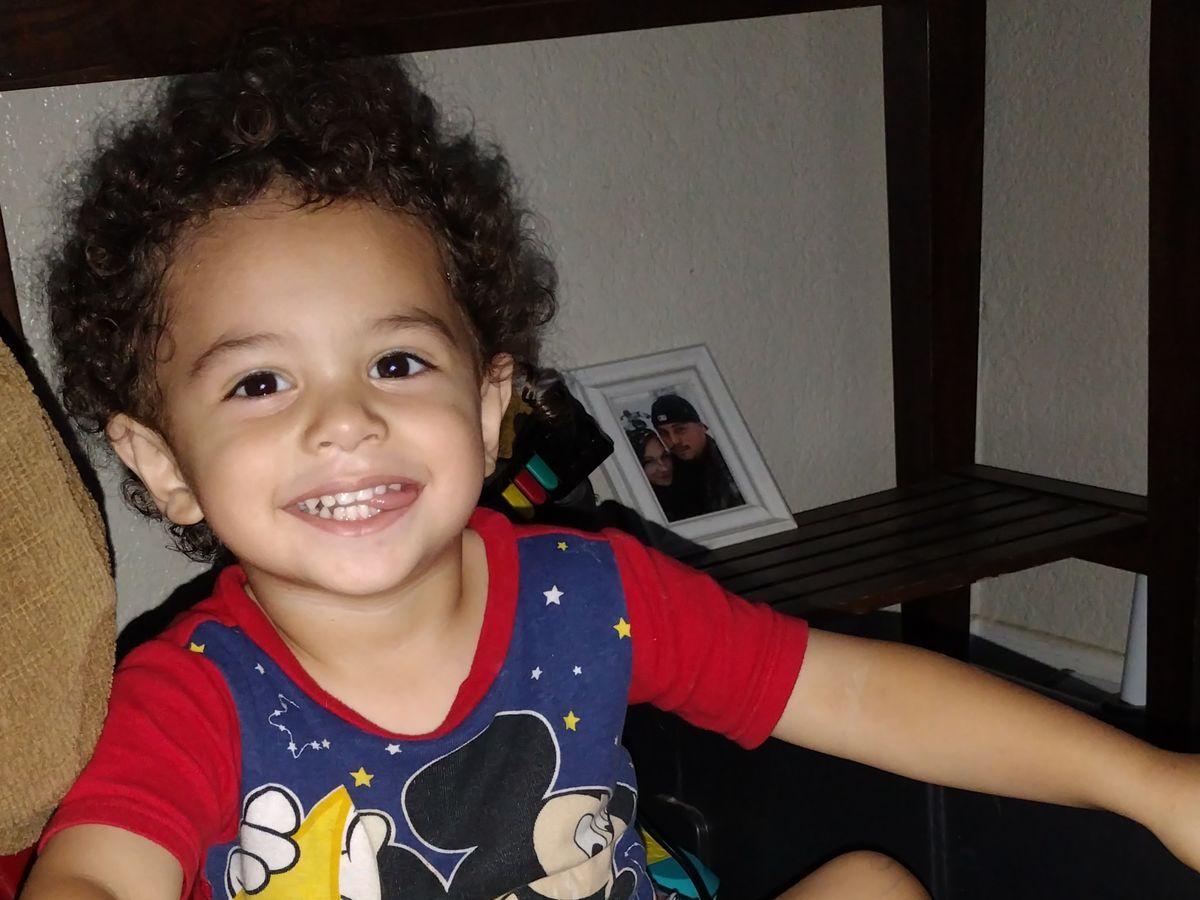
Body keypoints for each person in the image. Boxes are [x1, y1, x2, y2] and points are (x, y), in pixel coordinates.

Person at [19, 37, 1200, 900]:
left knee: (874, 888)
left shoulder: (591, 595)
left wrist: (1151, 783)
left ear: (490, 405)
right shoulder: (193, 697)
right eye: (260, 383)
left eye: (396, 362)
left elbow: (852, 694)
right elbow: (99, 872)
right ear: (162, 464)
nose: (344, 422)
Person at [650, 393, 744, 514]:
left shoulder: (733, 461)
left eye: (680, 429)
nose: (674, 440)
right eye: (664, 433)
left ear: (702, 426)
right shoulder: (666, 472)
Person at [629, 427, 702, 522]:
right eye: (650, 462)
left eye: (665, 456)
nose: (664, 468)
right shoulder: (637, 506)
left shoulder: (695, 483)